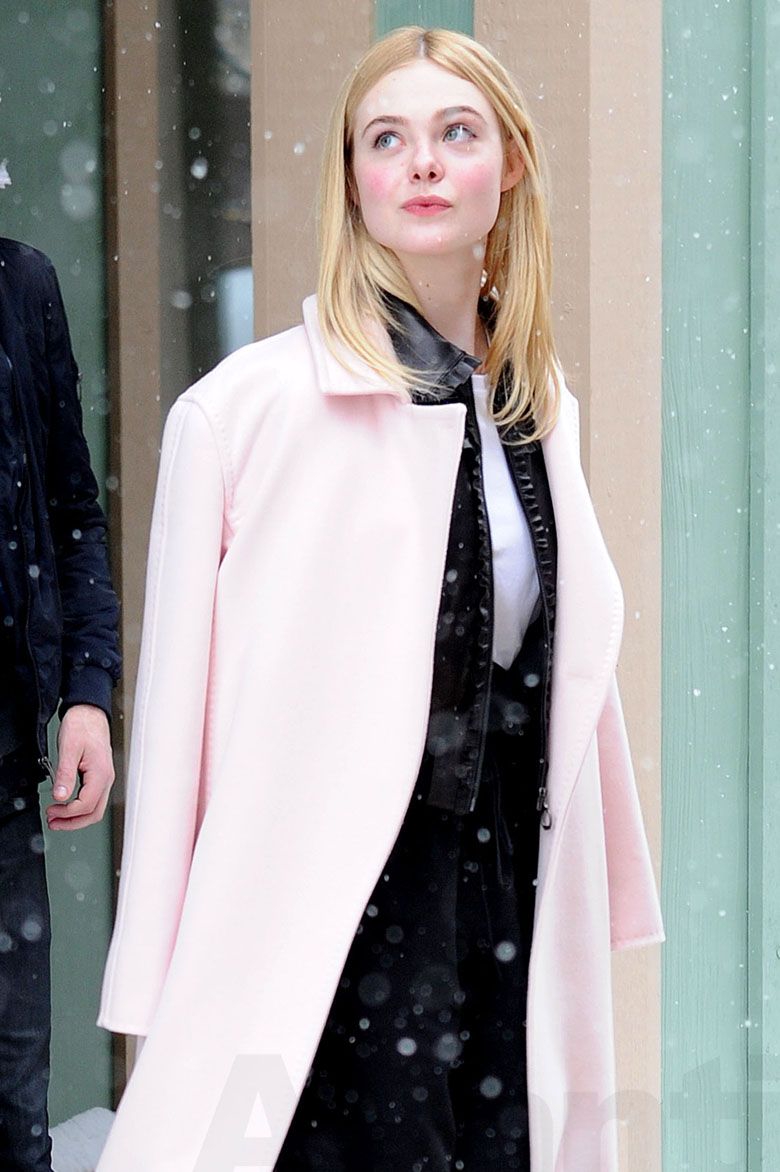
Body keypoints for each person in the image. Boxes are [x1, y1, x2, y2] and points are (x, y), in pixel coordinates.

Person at [96, 26, 663, 1172]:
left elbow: (562, 664)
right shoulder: (246, 413)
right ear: (352, 178)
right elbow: (179, 720)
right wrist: (158, 963)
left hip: (505, 886)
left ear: (510, 164)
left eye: (456, 133)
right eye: (386, 139)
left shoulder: (536, 407)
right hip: (335, 909)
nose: (423, 163)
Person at [0, 219, 121, 1168]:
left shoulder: (20, 284)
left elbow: (73, 511)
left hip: (4, 767)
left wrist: (88, 692)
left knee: (14, 1095)